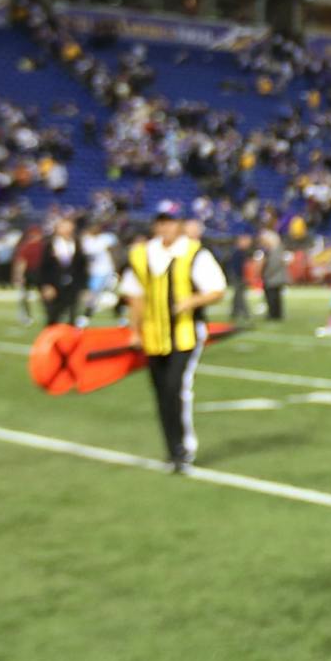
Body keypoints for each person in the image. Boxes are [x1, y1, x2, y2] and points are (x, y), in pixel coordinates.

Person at [119, 202, 226, 472]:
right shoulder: (142, 254)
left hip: (185, 333)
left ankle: (183, 448)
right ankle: (171, 447)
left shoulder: (194, 253)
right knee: (161, 392)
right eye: (161, 221)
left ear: (179, 224)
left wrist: (192, 301)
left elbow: (216, 289)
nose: (165, 226)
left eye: (170, 221)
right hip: (154, 335)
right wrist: (134, 330)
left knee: (176, 386)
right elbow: (135, 297)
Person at [36, 216, 85, 327]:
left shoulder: (77, 243)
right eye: (64, 226)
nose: (67, 229)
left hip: (72, 287)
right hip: (54, 286)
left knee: (72, 319)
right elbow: (42, 267)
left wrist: (82, 287)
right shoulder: (49, 244)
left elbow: (82, 267)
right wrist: (45, 285)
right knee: (53, 317)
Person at [77, 222, 120, 327]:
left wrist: (117, 268)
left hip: (107, 270)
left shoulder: (106, 238)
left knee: (108, 293)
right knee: (93, 295)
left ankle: (118, 316)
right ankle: (86, 315)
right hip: (93, 272)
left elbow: (114, 251)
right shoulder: (85, 239)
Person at [12, 224, 43, 324]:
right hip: (32, 272)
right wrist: (19, 275)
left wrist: (18, 275)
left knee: (27, 295)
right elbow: (22, 262)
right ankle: (26, 314)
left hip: (34, 272)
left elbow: (21, 262)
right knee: (26, 295)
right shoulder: (30, 246)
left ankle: (26, 315)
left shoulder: (30, 246)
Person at [259, 230, 288, 322]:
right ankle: (275, 314)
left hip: (273, 278)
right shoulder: (275, 249)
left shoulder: (275, 250)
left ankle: (274, 314)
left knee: (272, 297)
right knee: (275, 297)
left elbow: (274, 265)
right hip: (275, 277)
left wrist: (266, 274)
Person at [227, 234, 255, 323]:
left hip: (237, 275)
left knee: (237, 295)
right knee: (240, 295)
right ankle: (245, 313)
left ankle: (235, 312)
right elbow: (237, 267)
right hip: (237, 276)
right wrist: (242, 277)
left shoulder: (240, 252)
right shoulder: (238, 252)